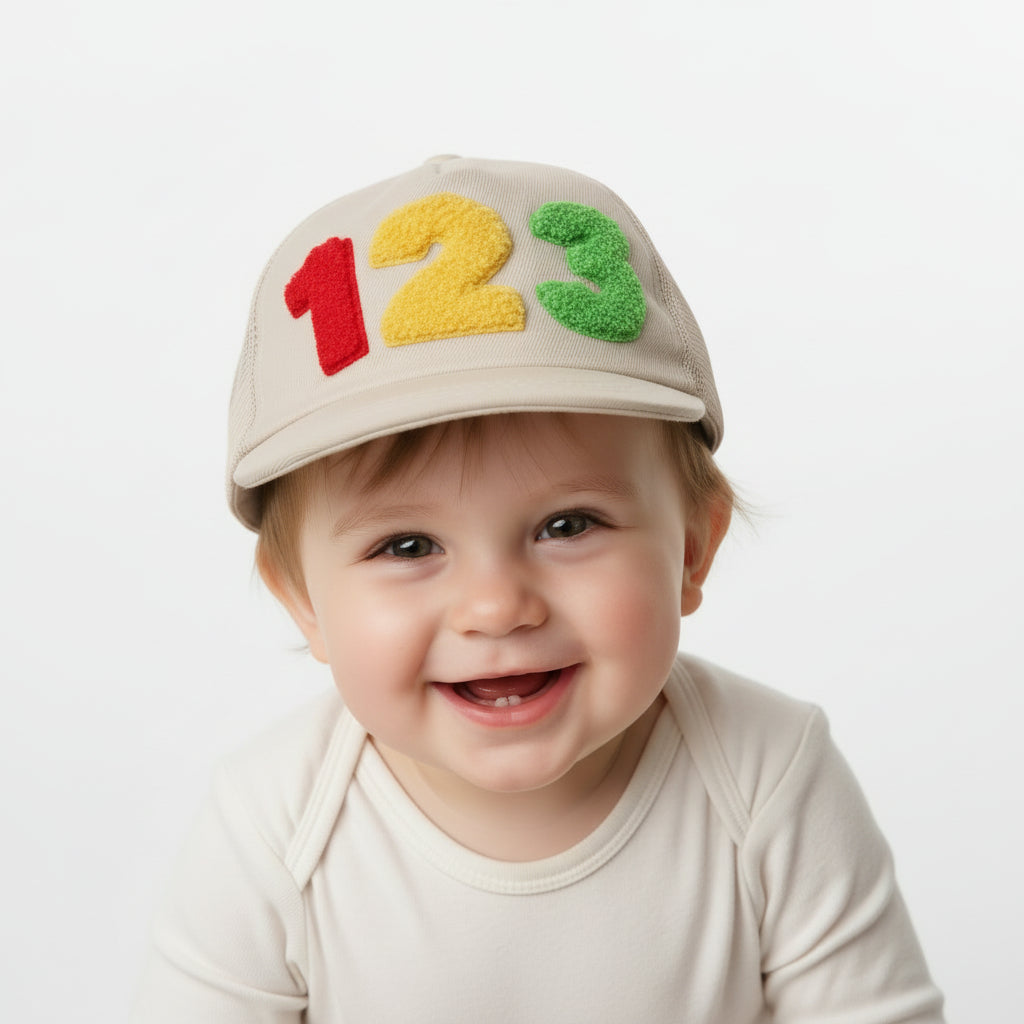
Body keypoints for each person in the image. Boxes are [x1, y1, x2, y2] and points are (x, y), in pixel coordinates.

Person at [132, 156, 945, 1022]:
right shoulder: (273, 827)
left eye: (568, 525)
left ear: (693, 549)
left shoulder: (767, 777)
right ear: (302, 599)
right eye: (407, 545)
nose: (496, 607)